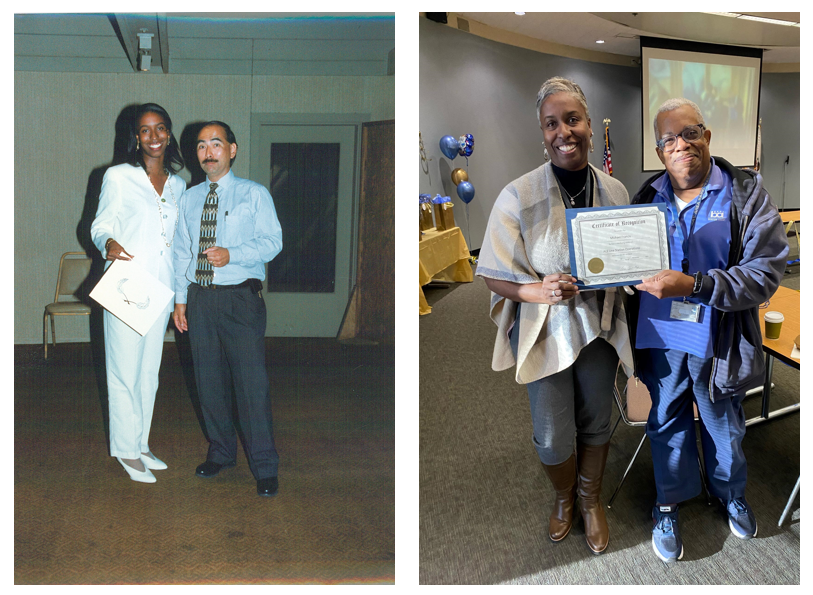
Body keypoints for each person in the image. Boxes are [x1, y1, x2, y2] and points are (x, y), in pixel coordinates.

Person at [476, 77, 633, 554]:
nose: (564, 132)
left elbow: (626, 257)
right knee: (550, 433)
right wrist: (535, 289)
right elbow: (492, 274)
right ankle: (563, 497)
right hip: (544, 328)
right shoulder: (516, 196)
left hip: (599, 323)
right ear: (541, 133)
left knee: (597, 418)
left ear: (588, 124)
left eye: (572, 120)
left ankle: (589, 500)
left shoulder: (614, 188)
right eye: (552, 124)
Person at [628, 98, 789, 563]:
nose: (682, 145)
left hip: (720, 338)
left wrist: (696, 284)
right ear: (660, 151)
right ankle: (669, 503)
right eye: (669, 140)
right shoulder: (646, 199)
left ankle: (730, 492)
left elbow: (765, 271)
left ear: (708, 136)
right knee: (666, 421)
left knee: (724, 424)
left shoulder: (744, 191)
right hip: (662, 338)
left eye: (691, 133)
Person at [173, 121, 283, 497]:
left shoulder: (254, 194)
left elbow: (273, 242)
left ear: (232, 150)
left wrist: (234, 254)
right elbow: (180, 253)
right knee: (209, 382)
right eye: (202, 146)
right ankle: (221, 452)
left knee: (251, 385)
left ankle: (265, 466)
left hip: (240, 299)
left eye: (216, 144)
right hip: (200, 298)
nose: (208, 152)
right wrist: (180, 300)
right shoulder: (188, 199)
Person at [91, 103, 186, 483]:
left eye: (160, 128)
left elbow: (177, 242)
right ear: (135, 136)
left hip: (161, 288)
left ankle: (141, 443)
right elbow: (99, 225)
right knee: (123, 372)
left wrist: (181, 293)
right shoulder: (118, 176)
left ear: (169, 132)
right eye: (145, 130)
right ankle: (126, 451)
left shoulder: (179, 184)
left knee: (149, 374)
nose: (154, 137)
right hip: (127, 284)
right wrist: (108, 242)